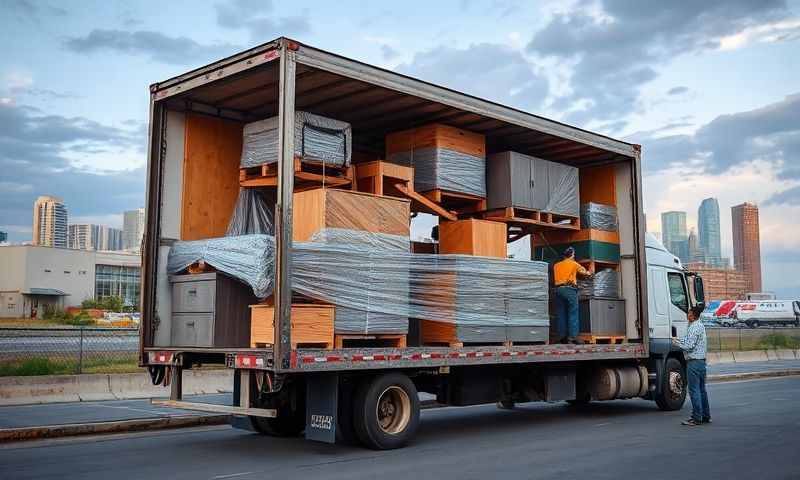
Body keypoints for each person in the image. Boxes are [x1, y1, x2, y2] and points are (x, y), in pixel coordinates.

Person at [676, 304, 711, 426]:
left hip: (693, 362)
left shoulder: (693, 327)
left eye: (689, 313)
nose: (687, 315)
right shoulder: (700, 325)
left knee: (694, 390)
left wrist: (676, 344)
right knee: (702, 390)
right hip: (701, 362)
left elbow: (689, 345)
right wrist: (679, 340)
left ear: (693, 315)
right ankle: (706, 415)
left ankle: (696, 417)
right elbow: (688, 341)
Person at [553, 246, 592, 344]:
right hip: (569, 290)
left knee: (561, 313)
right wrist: (590, 272)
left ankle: (561, 336)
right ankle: (573, 337)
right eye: (574, 254)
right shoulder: (574, 264)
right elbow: (586, 273)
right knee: (573, 313)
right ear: (572, 255)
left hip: (558, 290)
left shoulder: (556, 265)